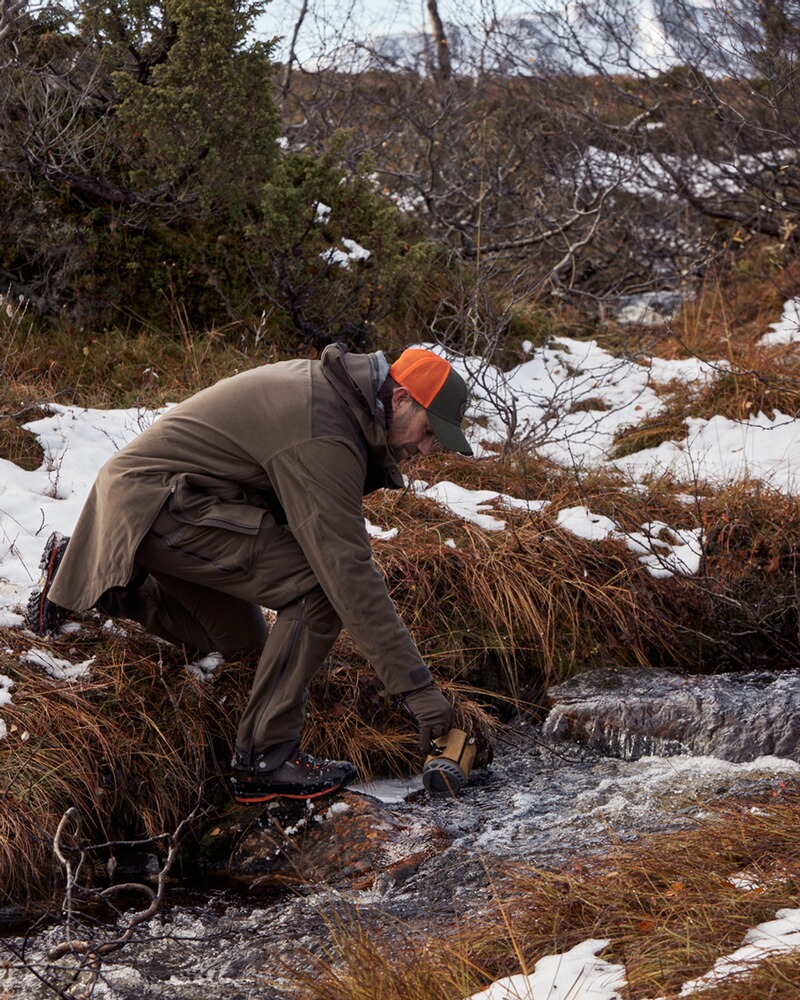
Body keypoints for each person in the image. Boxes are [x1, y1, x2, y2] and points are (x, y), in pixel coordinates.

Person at [27, 345, 473, 804]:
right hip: (157, 504)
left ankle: (108, 587)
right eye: (427, 432)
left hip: (179, 506)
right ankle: (266, 759)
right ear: (399, 399)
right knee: (319, 591)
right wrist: (418, 692)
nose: (424, 448)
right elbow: (347, 572)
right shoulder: (325, 429)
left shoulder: (341, 405)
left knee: (240, 643)